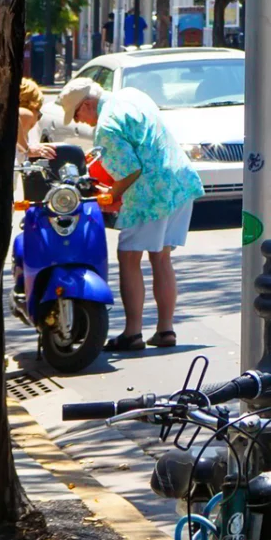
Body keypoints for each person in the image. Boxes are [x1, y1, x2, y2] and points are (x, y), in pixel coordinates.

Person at [65, 78, 201, 352]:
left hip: (151, 191)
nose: (81, 122)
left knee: (128, 256)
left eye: (78, 114)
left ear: (88, 104)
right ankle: (165, 330)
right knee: (161, 256)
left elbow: (130, 171)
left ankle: (132, 333)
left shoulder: (106, 125)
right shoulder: (130, 95)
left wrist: (111, 195)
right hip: (179, 182)